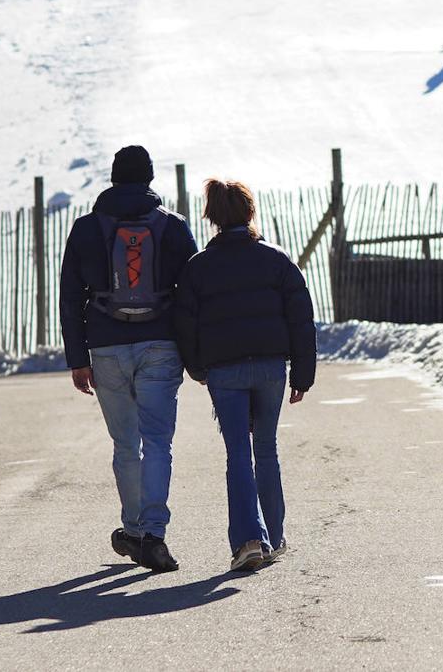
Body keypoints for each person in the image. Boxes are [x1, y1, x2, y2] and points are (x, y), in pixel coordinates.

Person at [60, 145, 198, 573]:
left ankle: (134, 528)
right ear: (151, 179)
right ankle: (153, 534)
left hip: (105, 346)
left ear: (114, 178)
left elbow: (69, 296)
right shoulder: (172, 226)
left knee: (126, 444)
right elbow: (193, 293)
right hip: (160, 344)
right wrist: (195, 353)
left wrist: (77, 358)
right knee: (159, 442)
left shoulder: (85, 229)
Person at [173, 178, 316, 572]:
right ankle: (274, 535)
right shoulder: (277, 259)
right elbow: (301, 319)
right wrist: (302, 374)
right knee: (266, 449)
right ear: (250, 212)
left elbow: (185, 323)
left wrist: (197, 367)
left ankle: (250, 541)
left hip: (224, 371)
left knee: (237, 453)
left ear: (213, 217)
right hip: (271, 366)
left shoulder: (198, 267)